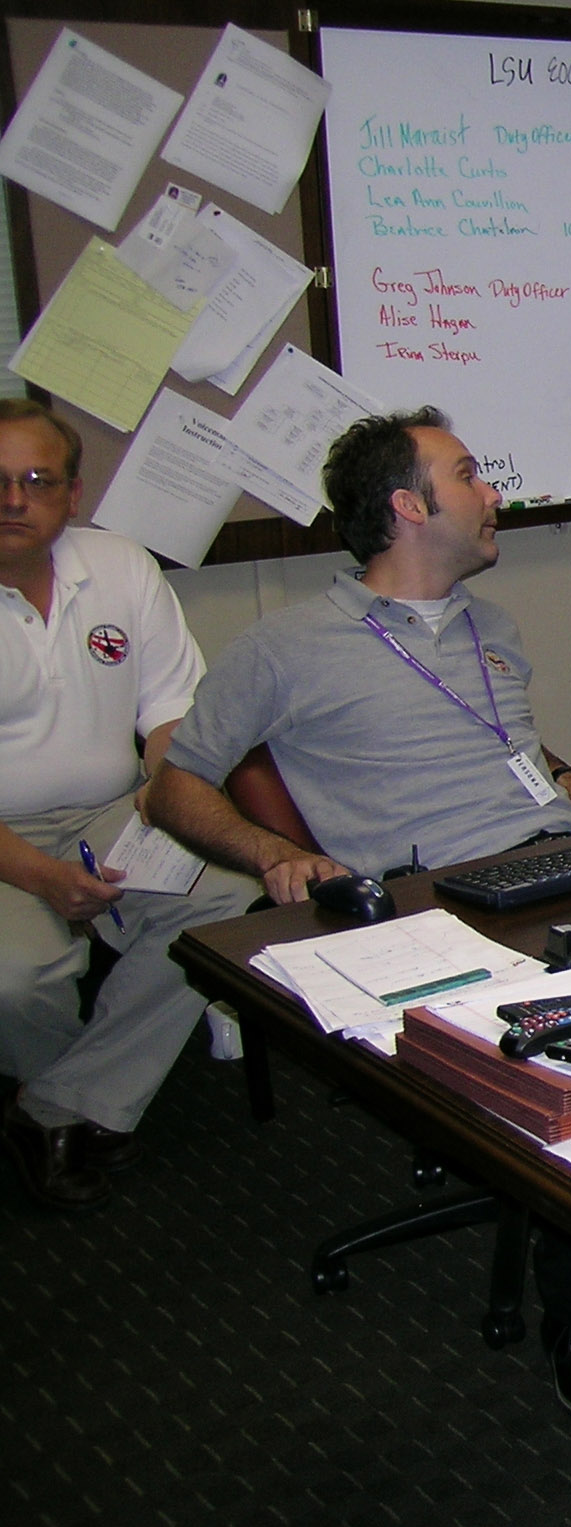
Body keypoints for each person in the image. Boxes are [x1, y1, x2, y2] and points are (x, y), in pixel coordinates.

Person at [146, 407, 571, 1429]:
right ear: (407, 507)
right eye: (470, 475)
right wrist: (275, 853)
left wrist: (569, 781)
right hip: (433, 906)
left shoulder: (490, 625)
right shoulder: (286, 646)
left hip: (547, 870)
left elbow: (499, 745)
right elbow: (173, 786)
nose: (494, 493)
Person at [0, 399, 257, 1209]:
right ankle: (82, 1104)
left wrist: (164, 791)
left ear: (72, 495)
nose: (14, 500)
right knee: (18, 979)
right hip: (4, 839)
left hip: (115, 811)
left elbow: (172, 713)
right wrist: (41, 877)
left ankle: (54, 1110)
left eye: (37, 480)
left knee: (225, 903)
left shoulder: (118, 566)